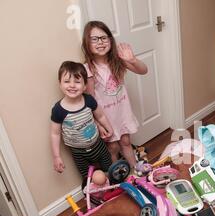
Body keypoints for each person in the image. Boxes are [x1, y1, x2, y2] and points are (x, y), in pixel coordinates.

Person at [82, 20, 148, 169]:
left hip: (122, 111)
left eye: (104, 37)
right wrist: (98, 124)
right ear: (87, 43)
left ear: (110, 40)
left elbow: (143, 70)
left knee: (125, 142)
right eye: (94, 39)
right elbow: (90, 100)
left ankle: (134, 170)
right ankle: (119, 175)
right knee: (112, 147)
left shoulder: (117, 60)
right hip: (105, 117)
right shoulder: (88, 69)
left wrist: (133, 60)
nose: (100, 42)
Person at [50, 61, 113, 178]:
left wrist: (109, 129)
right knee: (87, 177)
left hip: (98, 144)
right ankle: (96, 194)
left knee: (109, 168)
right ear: (60, 84)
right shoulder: (58, 110)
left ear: (84, 86)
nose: (72, 85)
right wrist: (56, 156)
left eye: (77, 82)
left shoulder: (89, 100)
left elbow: (100, 116)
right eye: (67, 81)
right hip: (78, 152)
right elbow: (55, 134)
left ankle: (113, 188)